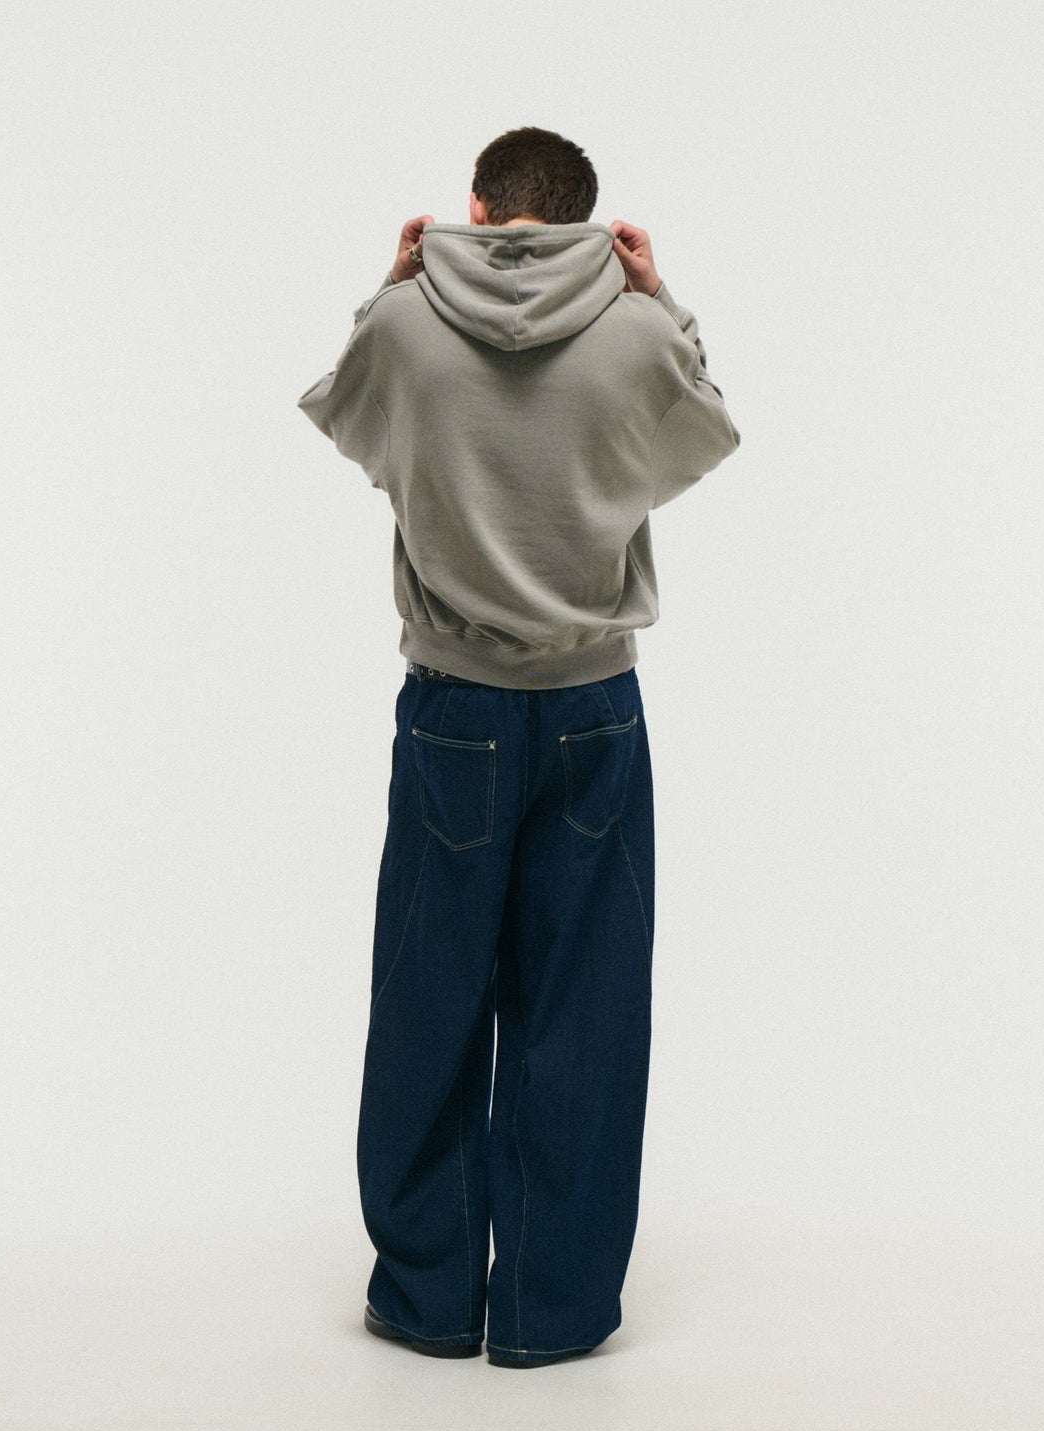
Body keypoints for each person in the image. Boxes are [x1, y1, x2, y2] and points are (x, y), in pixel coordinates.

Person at [296, 125, 741, 1367]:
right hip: (594, 705)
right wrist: (661, 297)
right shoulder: (637, 334)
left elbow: (352, 424)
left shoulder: (406, 326)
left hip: (453, 705)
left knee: (429, 995)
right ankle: (552, 1310)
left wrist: (393, 283)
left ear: (478, 207)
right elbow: (702, 433)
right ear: (589, 222)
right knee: (582, 1009)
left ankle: (428, 1297)